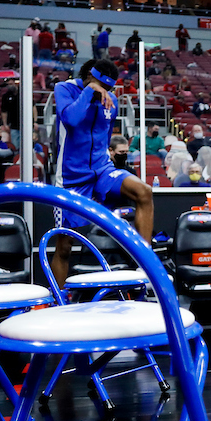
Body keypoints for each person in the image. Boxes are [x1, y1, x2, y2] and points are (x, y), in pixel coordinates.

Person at [50, 59, 154, 286]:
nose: (104, 92)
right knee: (64, 246)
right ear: (88, 76)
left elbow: (105, 137)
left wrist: (100, 90)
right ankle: (58, 301)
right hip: (71, 178)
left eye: (108, 89)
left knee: (143, 192)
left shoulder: (111, 100)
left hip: (102, 170)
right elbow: (71, 119)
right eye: (100, 85)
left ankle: (147, 268)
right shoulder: (64, 88)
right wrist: (89, 91)